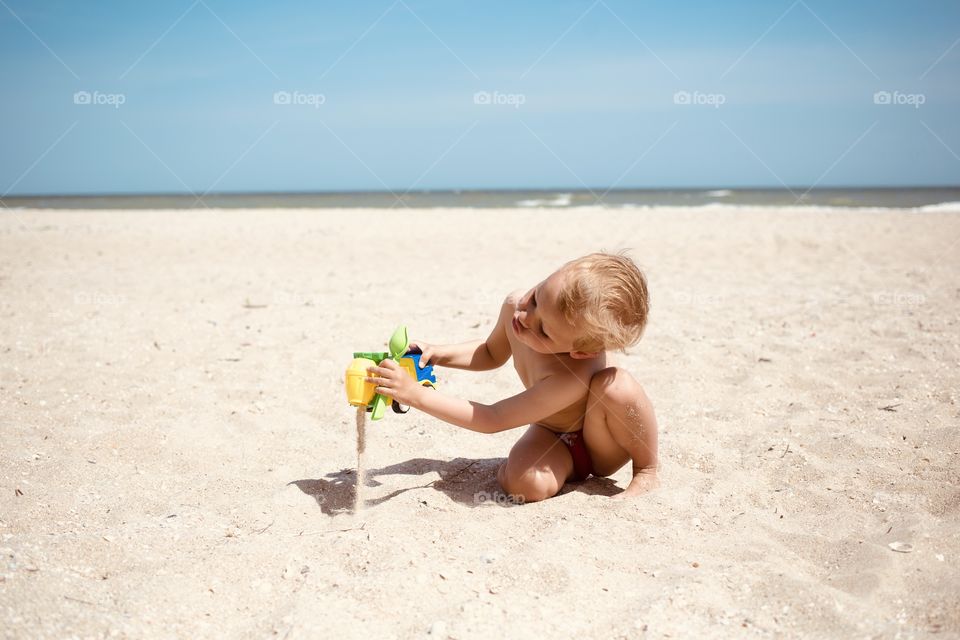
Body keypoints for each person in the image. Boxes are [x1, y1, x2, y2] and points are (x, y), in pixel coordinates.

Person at [365, 252, 658, 502]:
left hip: (600, 444)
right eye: (536, 297)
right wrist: (437, 353)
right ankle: (546, 469)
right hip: (551, 434)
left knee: (617, 385)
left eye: (543, 331)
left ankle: (648, 469)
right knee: (524, 485)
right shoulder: (515, 308)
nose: (526, 318)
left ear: (581, 352)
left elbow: (493, 418)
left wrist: (416, 395)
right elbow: (490, 353)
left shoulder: (572, 376)